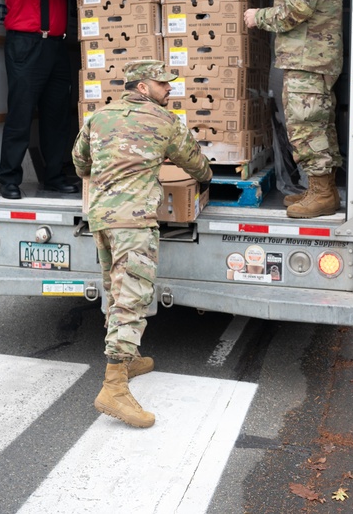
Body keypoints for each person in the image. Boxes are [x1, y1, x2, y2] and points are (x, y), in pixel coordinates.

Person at [72, 60, 212, 428]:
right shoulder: (164, 122)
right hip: (134, 223)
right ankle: (114, 387)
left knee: (115, 292)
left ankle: (128, 360)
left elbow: (79, 163)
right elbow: (196, 165)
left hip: (101, 218)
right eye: (163, 84)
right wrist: (207, 178)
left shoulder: (98, 118)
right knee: (132, 299)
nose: (170, 89)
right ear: (143, 87)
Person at [243, 0, 344, 219]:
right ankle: (319, 189)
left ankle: (323, 193)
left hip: (307, 58)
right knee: (316, 123)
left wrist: (258, 16)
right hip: (313, 56)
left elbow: (295, 12)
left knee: (306, 125)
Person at [0, 0, 88, 200]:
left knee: (56, 115)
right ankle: (9, 179)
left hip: (56, 46)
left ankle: (53, 176)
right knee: (21, 113)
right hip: (26, 45)